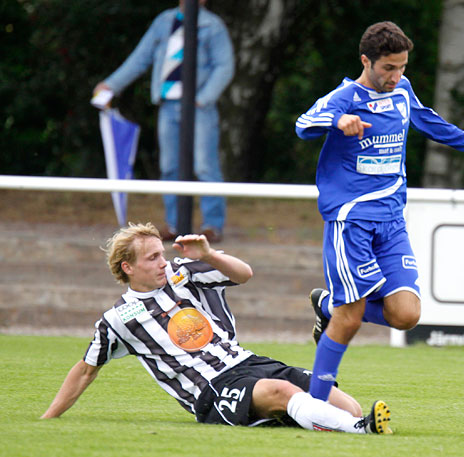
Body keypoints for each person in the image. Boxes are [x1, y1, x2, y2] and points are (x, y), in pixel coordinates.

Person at [295, 21, 464, 402]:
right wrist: (338, 120)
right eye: (389, 67)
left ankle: (327, 303)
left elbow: (426, 119)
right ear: (366, 61)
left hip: (391, 223)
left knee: (406, 315)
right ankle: (316, 405)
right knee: (350, 319)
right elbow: (304, 123)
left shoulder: (402, 90)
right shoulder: (346, 97)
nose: (396, 75)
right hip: (351, 221)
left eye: (402, 66)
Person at [40, 223, 392, 434]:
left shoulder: (184, 275)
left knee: (348, 407)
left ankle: (340, 422)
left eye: (162, 254)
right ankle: (360, 432)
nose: (163, 262)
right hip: (211, 389)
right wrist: (47, 418)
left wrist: (208, 254)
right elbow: (86, 370)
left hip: (249, 363)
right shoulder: (118, 319)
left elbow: (244, 274)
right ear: (127, 268)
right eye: (152, 258)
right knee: (282, 392)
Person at [93, 0, 232, 242]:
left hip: (199, 108)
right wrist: (111, 86)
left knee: (205, 166)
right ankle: (175, 224)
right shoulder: (164, 22)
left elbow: (225, 66)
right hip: (168, 105)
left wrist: (203, 98)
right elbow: (140, 58)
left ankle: (212, 226)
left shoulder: (213, 26)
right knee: (169, 166)